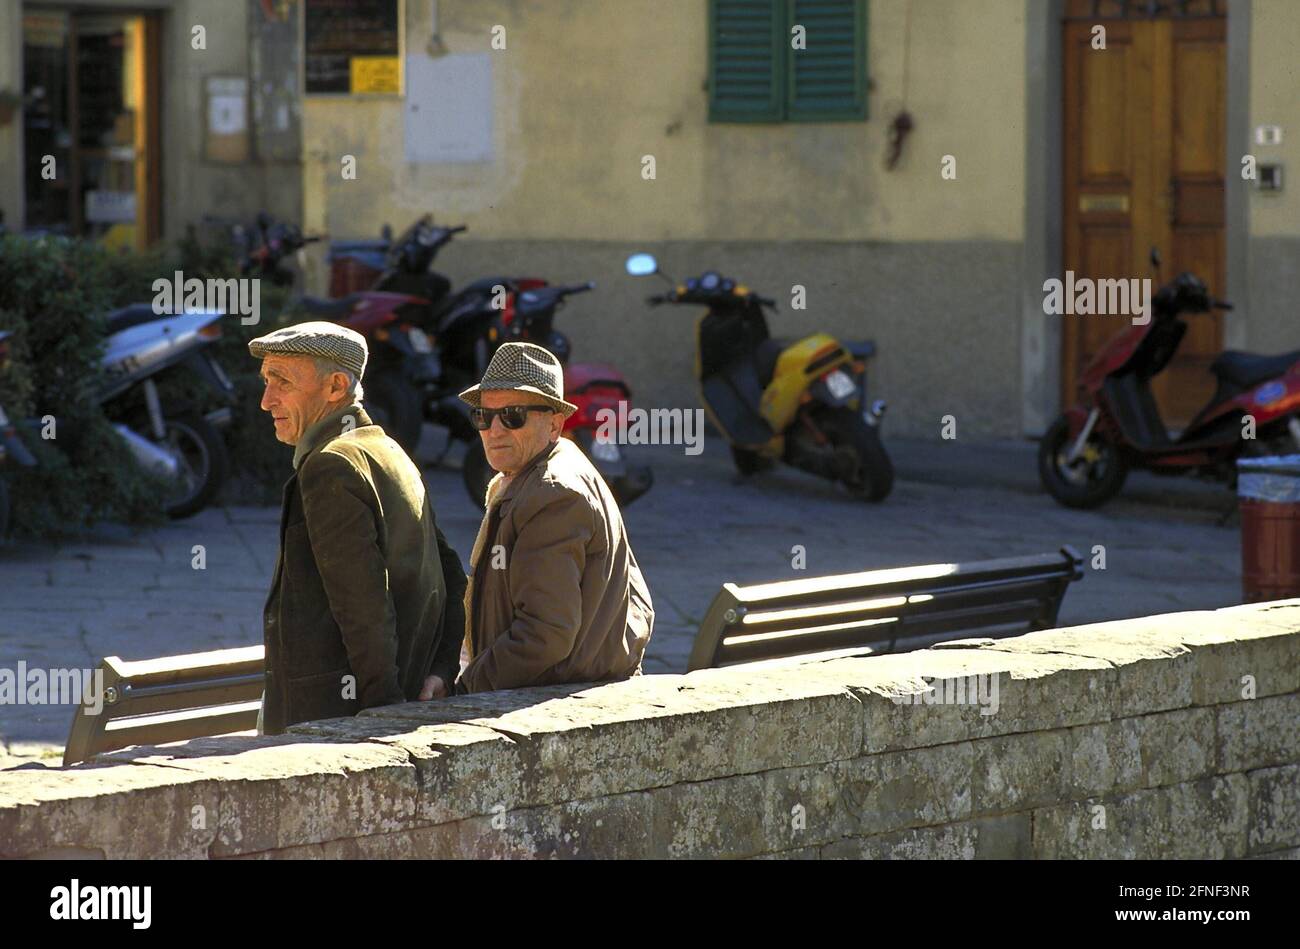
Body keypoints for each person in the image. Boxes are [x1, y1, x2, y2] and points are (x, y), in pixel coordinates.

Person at [248, 321, 465, 733]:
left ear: (334, 387)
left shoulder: (332, 464)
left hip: (330, 723)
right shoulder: (387, 450)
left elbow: (362, 606)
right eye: (266, 380)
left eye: (282, 382)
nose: (266, 400)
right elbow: (453, 576)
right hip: (390, 703)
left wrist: (382, 715)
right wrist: (440, 669)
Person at [455, 341, 653, 694]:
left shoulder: (552, 494)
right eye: (483, 416)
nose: (494, 430)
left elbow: (545, 633)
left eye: (513, 415)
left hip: (553, 700)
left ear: (554, 424)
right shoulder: (553, 469)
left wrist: (466, 687)